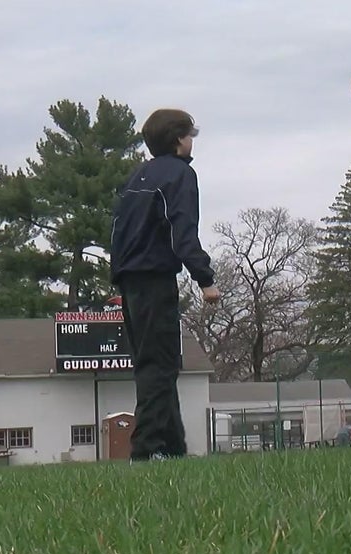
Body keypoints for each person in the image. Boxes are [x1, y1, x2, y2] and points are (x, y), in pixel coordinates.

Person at [110, 108, 220, 460]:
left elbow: (120, 232)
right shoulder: (179, 175)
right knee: (160, 365)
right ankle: (146, 450)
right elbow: (182, 231)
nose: (191, 141)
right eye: (189, 134)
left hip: (129, 280)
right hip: (155, 278)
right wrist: (205, 278)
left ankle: (174, 449)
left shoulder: (138, 176)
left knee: (157, 363)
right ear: (177, 140)